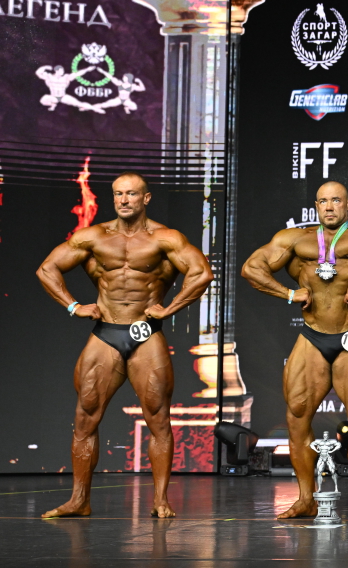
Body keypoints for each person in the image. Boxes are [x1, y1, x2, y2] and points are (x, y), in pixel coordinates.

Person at [35, 172, 214, 518]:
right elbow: (47, 269)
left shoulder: (165, 238)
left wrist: (170, 309)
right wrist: (74, 306)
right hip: (105, 333)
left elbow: (202, 273)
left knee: (158, 419)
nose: (124, 200)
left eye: (131, 194)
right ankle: (79, 500)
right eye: (118, 194)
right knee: (85, 417)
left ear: (146, 198)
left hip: (146, 334)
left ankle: (160, 501)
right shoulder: (93, 237)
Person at [241, 181, 348, 519]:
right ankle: (306, 499)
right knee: (296, 417)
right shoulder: (296, 240)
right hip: (312, 336)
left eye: (336, 200)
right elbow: (251, 268)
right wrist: (288, 294)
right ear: (316, 206)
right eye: (323, 201)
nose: (330, 206)